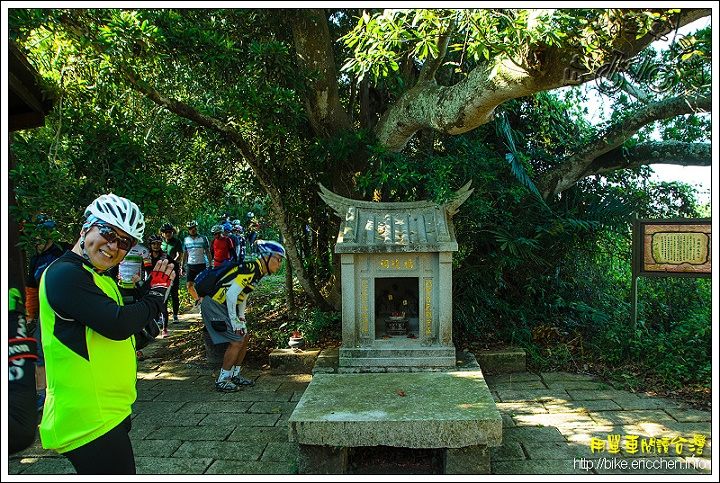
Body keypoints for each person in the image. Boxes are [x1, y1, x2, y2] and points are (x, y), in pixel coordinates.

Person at [37, 193, 175, 474]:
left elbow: (115, 335)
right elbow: (117, 323)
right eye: (108, 232)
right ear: (86, 226)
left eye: (124, 242)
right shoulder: (63, 274)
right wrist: (156, 295)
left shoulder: (97, 277)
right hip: (87, 417)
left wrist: (145, 326)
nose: (113, 246)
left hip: (109, 411)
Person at [201, 240, 285, 392]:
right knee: (237, 340)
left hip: (225, 306)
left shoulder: (257, 273)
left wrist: (241, 317)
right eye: (278, 259)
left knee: (244, 337)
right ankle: (223, 379)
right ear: (266, 257)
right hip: (215, 305)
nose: (279, 265)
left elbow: (243, 295)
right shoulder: (251, 268)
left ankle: (234, 374)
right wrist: (234, 320)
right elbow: (232, 294)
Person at [24, 216, 71, 412]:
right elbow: (32, 290)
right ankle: (42, 394)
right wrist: (29, 314)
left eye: (40, 234)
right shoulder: (35, 260)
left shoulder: (64, 251)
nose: (36, 239)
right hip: (46, 313)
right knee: (40, 351)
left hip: (68, 309)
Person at [182, 220, 211, 307]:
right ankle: (197, 299)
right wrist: (182, 265)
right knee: (189, 285)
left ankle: (204, 301)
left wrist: (210, 263)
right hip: (191, 265)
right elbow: (185, 253)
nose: (192, 230)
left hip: (201, 263)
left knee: (202, 285)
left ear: (196, 228)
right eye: (190, 229)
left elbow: (208, 251)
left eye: (194, 228)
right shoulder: (186, 240)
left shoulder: (203, 238)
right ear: (188, 230)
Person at [146, 234, 170, 337]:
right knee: (151, 305)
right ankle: (153, 329)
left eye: (158, 244)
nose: (156, 246)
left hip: (163, 283)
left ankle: (164, 329)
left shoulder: (165, 256)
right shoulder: (146, 256)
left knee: (163, 305)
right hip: (149, 283)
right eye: (154, 244)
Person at [160, 222, 183, 322]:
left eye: (170, 232)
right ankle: (161, 315)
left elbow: (179, 255)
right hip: (162, 271)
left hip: (173, 270)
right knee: (163, 293)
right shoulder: (161, 243)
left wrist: (173, 263)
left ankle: (175, 315)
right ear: (162, 233)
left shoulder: (177, 242)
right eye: (166, 232)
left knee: (174, 293)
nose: (168, 234)